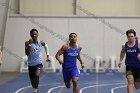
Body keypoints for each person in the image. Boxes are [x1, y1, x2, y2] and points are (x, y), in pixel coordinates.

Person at [25, 29, 50, 93]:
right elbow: (27, 53)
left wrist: (47, 55)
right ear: (30, 35)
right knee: (33, 83)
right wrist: (30, 45)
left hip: (38, 63)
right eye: (33, 34)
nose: (34, 35)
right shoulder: (27, 43)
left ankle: (35, 90)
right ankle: (35, 88)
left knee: (37, 75)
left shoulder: (41, 42)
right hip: (31, 65)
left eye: (35, 34)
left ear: (37, 35)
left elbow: (46, 46)